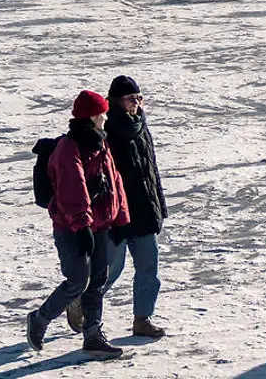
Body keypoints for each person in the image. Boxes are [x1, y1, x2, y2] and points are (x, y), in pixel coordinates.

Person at [26, 90, 130, 360]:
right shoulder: (68, 148)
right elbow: (73, 191)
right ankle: (40, 318)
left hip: (100, 225)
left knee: (97, 281)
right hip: (72, 228)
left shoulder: (100, 143)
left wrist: (121, 219)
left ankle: (93, 335)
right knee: (77, 281)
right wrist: (83, 226)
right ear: (93, 116)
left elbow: (114, 183)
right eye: (103, 113)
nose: (106, 118)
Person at [97, 76, 168, 339]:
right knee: (111, 271)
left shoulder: (141, 124)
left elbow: (150, 169)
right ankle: (84, 306)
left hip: (144, 212)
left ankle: (142, 319)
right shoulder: (106, 130)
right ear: (116, 101)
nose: (136, 104)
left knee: (149, 268)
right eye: (131, 99)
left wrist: (158, 204)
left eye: (139, 98)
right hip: (118, 214)